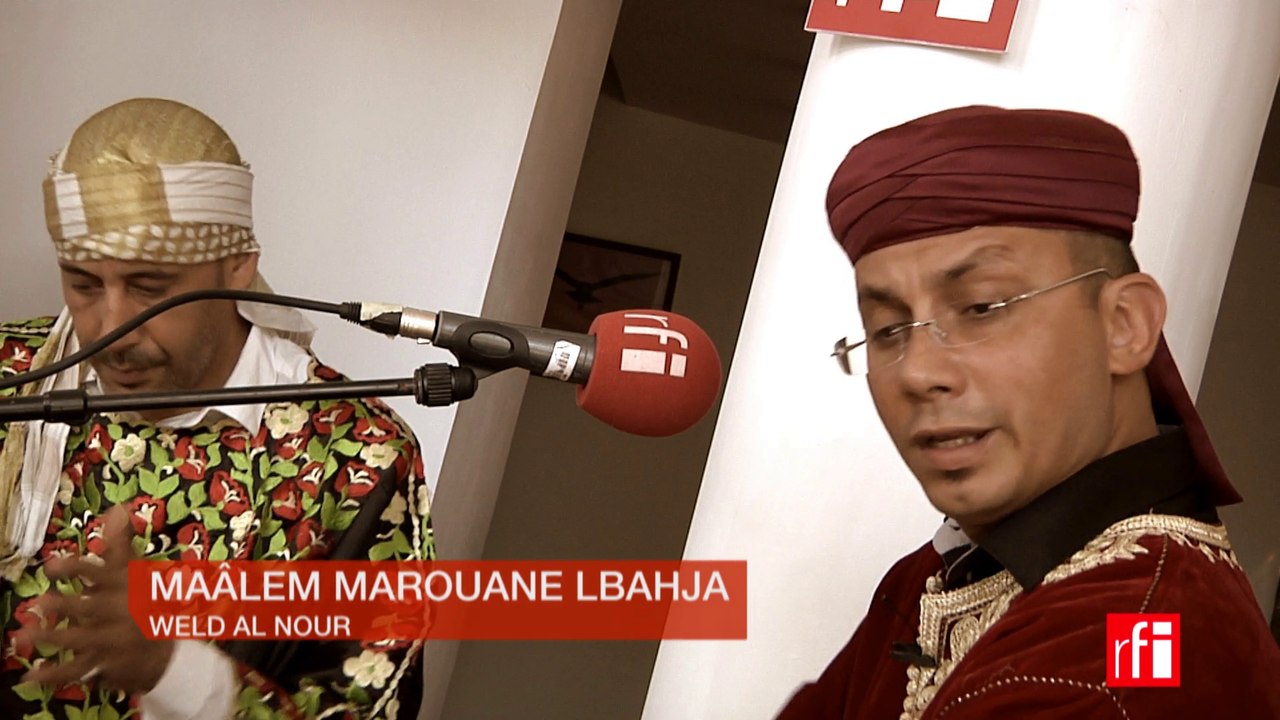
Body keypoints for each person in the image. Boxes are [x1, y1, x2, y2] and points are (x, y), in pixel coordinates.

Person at [777, 106, 1280, 719]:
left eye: (983, 308)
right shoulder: (933, 573)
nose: (917, 372)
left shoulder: (1138, 641)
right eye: (887, 329)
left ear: (1124, 325)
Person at [0, 98, 434, 719]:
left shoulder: (357, 457)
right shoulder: (15, 381)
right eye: (84, 283)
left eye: (150, 287)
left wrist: (174, 673)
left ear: (238, 265)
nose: (112, 327)